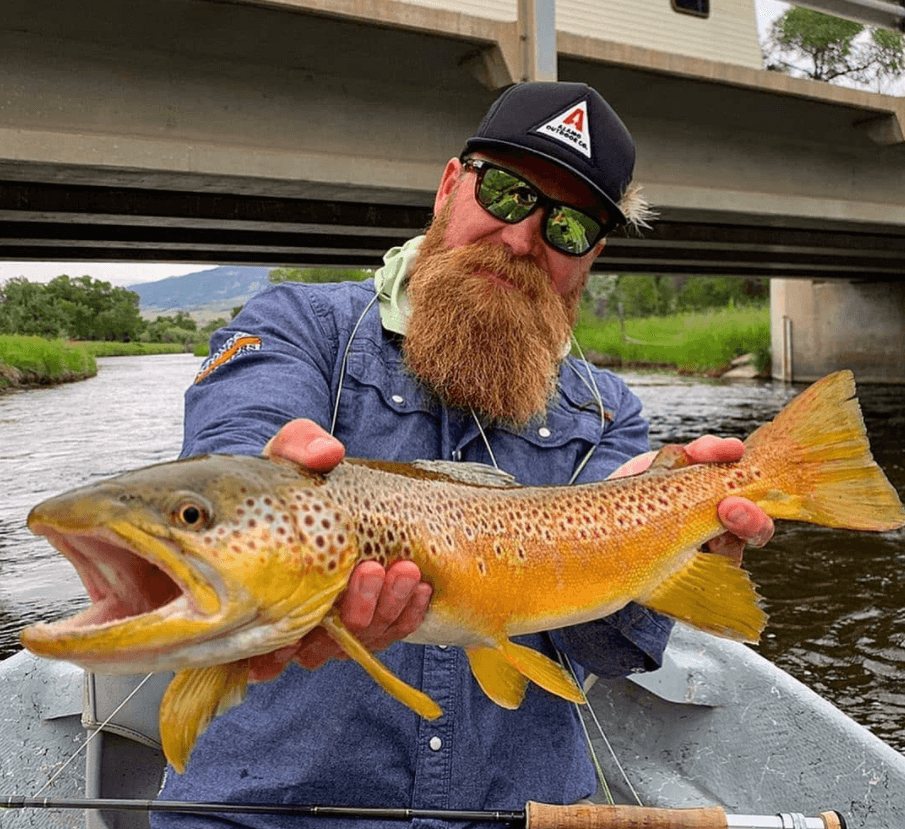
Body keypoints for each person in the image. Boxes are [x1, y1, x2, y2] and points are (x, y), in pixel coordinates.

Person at [154, 81, 773, 827]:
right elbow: (233, 443)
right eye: (508, 193)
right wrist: (263, 476)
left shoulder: (610, 413)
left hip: (516, 814)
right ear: (451, 185)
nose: (521, 239)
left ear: (591, 256)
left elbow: (606, 651)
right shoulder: (297, 326)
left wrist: (663, 550)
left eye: (569, 226)